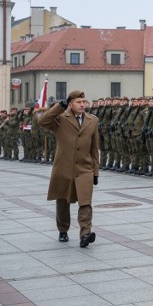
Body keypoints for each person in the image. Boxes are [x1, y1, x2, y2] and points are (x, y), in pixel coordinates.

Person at [38, 90, 99, 247]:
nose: (82, 105)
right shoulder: (60, 119)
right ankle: (63, 230)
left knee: (85, 202)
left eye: (84, 102)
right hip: (64, 168)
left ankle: (85, 234)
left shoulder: (92, 121)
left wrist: (96, 171)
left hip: (85, 168)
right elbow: (42, 121)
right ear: (70, 104)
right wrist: (60, 106)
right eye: (78, 102)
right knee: (63, 201)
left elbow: (94, 148)